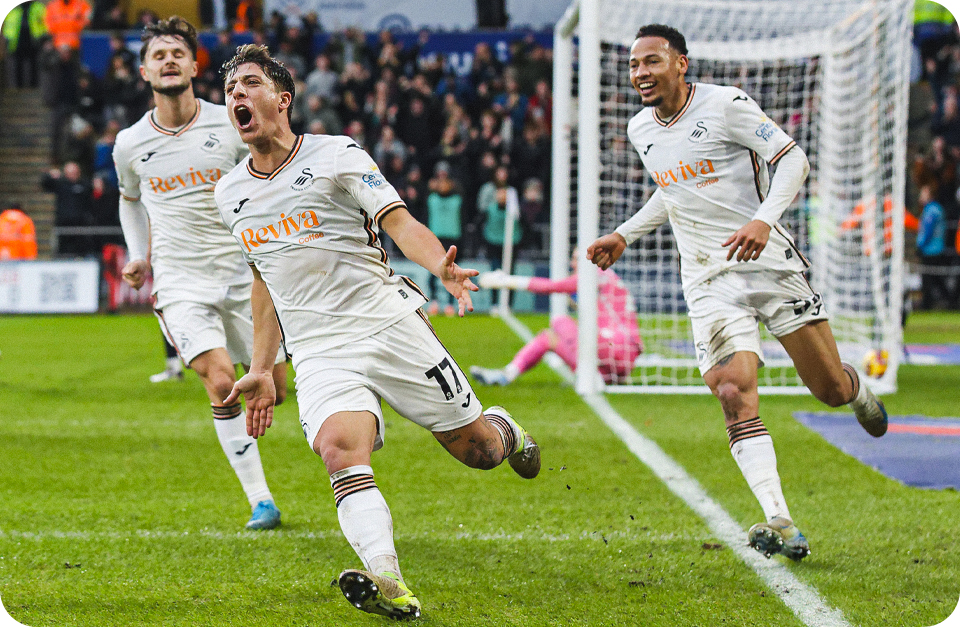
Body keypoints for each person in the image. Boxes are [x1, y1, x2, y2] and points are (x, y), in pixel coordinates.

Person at [216, 44, 540, 620]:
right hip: (319, 350)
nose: (236, 94)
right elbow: (262, 280)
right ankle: (389, 581)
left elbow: (398, 220)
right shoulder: (231, 194)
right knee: (339, 450)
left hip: (387, 325)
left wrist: (439, 264)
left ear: (283, 99)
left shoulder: (337, 154)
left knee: (480, 453)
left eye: (249, 84)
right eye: (230, 89)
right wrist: (263, 367)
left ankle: (504, 430)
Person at [586, 24, 890, 563]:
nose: (641, 74)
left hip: (768, 263)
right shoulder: (641, 129)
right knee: (730, 388)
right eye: (634, 66)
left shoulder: (727, 105)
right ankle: (781, 518)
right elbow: (670, 192)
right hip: (708, 278)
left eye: (652, 62)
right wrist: (624, 234)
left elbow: (793, 159)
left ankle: (856, 389)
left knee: (828, 390)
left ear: (681, 63)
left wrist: (762, 221)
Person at [112, 17, 288, 530]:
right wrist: (138, 253)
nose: (168, 60)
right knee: (221, 380)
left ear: (194, 65)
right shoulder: (130, 143)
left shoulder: (230, 121)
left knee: (275, 381)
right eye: (158, 54)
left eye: (177, 53)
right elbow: (129, 201)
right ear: (145, 71)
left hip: (243, 276)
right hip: (180, 282)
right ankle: (261, 500)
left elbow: (267, 175)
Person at [471, 251, 642, 385]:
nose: (572, 263)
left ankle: (591, 375)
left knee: (560, 321)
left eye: (576, 258)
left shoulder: (593, 274)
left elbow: (551, 287)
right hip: (626, 357)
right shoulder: (610, 279)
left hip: (612, 348)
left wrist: (506, 281)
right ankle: (506, 375)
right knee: (549, 338)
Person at [916, 184, 948, 309]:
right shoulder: (936, 208)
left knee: (929, 278)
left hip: (931, 250)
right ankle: (948, 300)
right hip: (936, 248)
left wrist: (920, 245)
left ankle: (928, 303)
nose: (920, 196)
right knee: (936, 278)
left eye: (923, 193)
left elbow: (928, 231)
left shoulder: (931, 210)